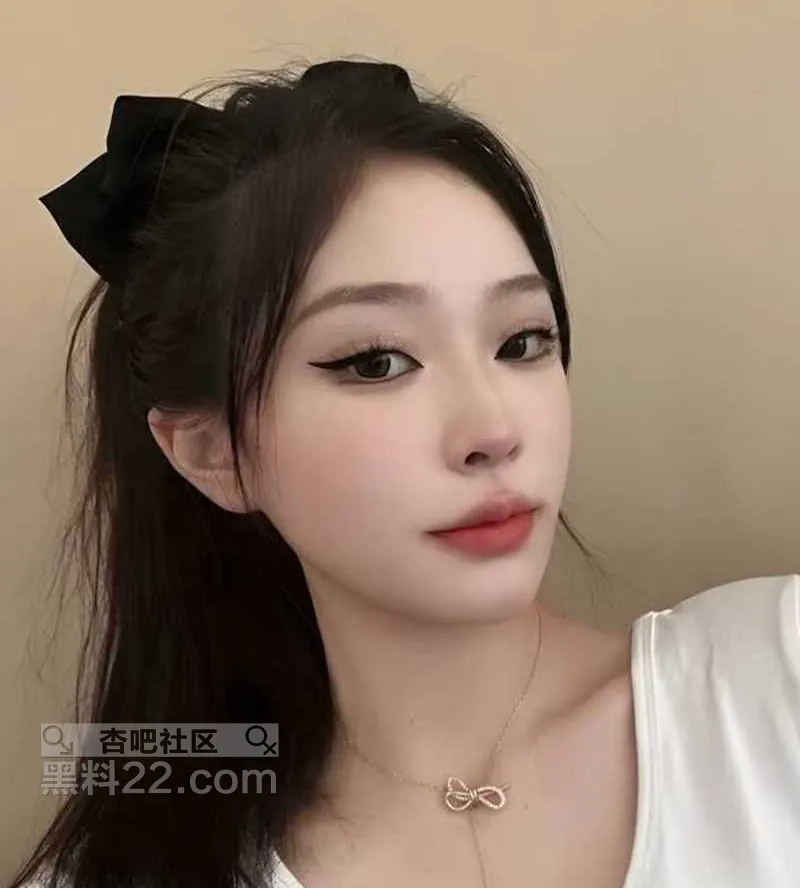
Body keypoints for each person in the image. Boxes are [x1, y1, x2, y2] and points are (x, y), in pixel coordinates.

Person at [12, 57, 800, 888]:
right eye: (376, 361)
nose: (493, 431)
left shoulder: (777, 679)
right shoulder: (129, 871)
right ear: (213, 452)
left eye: (522, 342)